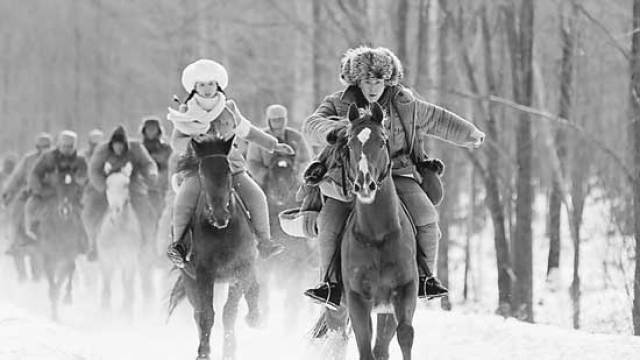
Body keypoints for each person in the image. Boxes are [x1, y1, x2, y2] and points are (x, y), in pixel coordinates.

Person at [302, 46, 485, 309]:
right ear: (357, 81)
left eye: (378, 81)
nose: (373, 87)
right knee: (329, 224)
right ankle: (329, 284)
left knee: (427, 218)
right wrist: (332, 131)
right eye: (367, 81)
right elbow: (311, 124)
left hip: (396, 174)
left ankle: (425, 278)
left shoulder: (405, 104)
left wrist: (469, 133)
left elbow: (437, 118)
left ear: (387, 81)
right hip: (348, 178)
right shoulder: (338, 102)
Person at [165, 59, 294, 268]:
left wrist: (273, 145)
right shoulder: (185, 111)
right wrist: (195, 142)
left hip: (230, 168)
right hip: (200, 170)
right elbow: (176, 141)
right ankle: (178, 245)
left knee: (257, 196)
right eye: (202, 85)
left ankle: (264, 241)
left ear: (218, 85)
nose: (207, 90)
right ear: (194, 88)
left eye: (211, 84)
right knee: (184, 199)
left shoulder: (229, 108)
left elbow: (248, 131)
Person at [83, 125, 158, 258]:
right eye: (116, 145)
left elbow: (148, 163)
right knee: (90, 210)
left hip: (131, 184)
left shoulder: (136, 148)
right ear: (112, 145)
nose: (119, 148)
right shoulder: (102, 151)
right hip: (107, 185)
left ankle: (147, 243)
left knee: (147, 212)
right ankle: (93, 243)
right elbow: (93, 170)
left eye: (121, 145)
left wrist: (151, 174)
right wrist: (103, 186)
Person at [23, 131, 88, 249]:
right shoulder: (48, 158)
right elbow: (35, 174)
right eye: (64, 146)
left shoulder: (80, 160)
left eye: (70, 147)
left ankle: (85, 241)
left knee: (82, 214)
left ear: (75, 146)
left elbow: (86, 177)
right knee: (31, 205)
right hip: (50, 193)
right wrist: (38, 190)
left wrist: (80, 184)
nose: (67, 149)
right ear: (59, 145)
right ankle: (32, 233)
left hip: (71, 195)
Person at [2, 133, 52, 253]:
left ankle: (82, 240)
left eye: (47, 146)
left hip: (53, 193)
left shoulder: (56, 158)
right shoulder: (29, 159)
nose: (44, 149)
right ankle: (14, 241)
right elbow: (16, 177)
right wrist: (7, 192)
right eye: (41, 146)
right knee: (16, 212)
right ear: (37, 147)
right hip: (31, 192)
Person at [247, 104, 311, 186]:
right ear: (269, 121)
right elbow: (252, 162)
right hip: (267, 181)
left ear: (285, 120)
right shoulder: (260, 138)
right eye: (274, 120)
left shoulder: (296, 137)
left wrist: (298, 175)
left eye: (280, 120)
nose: (278, 123)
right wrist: (265, 177)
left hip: (293, 180)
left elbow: (305, 160)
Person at [140, 117, 173, 210]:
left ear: (158, 131)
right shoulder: (139, 148)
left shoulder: (166, 148)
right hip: (142, 186)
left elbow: (170, 166)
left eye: (153, 128)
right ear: (144, 131)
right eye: (148, 128)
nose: (151, 131)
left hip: (161, 187)